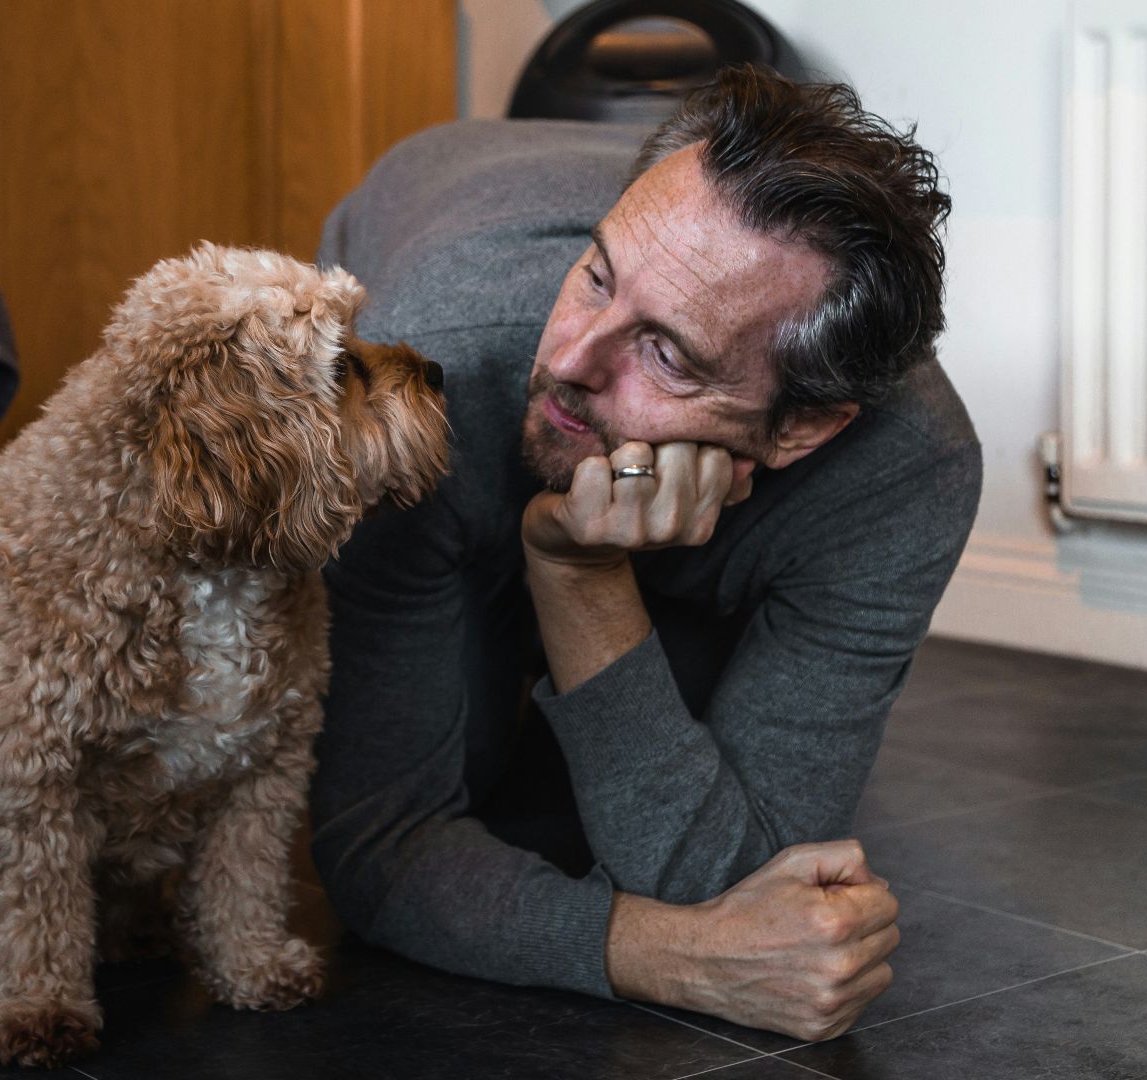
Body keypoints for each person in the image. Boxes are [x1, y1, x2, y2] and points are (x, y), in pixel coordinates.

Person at [308, 65, 981, 1042]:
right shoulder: (422, 390)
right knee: (478, 755)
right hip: (429, 203)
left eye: (668, 353)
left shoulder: (908, 473)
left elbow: (733, 879)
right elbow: (378, 841)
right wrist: (675, 959)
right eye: (597, 276)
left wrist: (577, 575)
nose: (574, 360)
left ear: (800, 431)